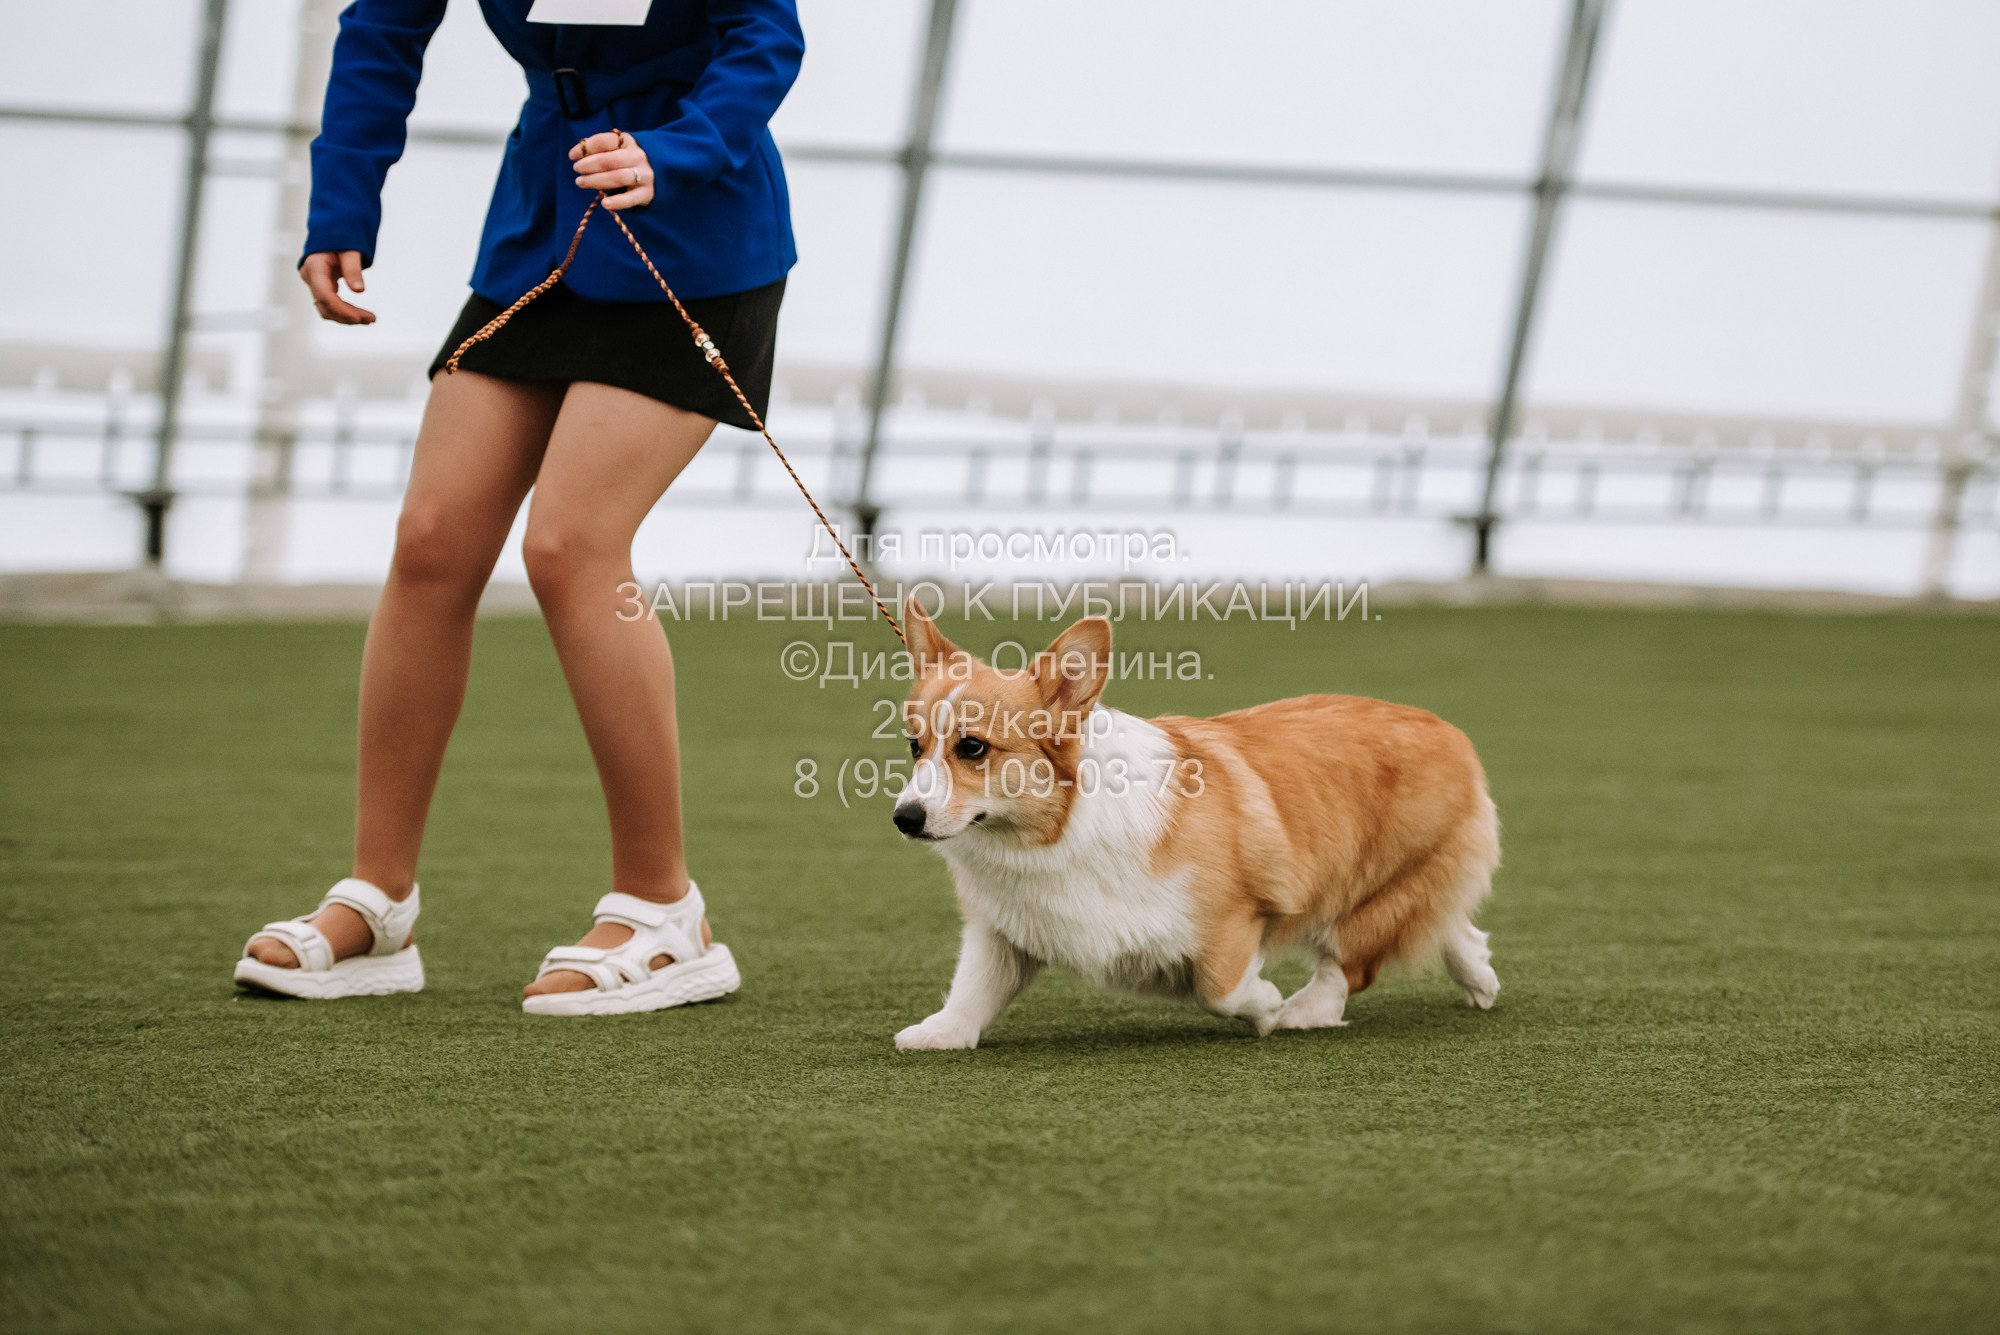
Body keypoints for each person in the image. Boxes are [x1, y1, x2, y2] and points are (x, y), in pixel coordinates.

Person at [231, 0, 805, 1016]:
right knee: (432, 542)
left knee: (570, 545)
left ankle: (666, 910)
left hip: (694, 224)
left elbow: (766, 35)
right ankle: (379, 906)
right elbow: (380, 30)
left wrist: (678, 149)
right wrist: (341, 206)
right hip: (543, 229)